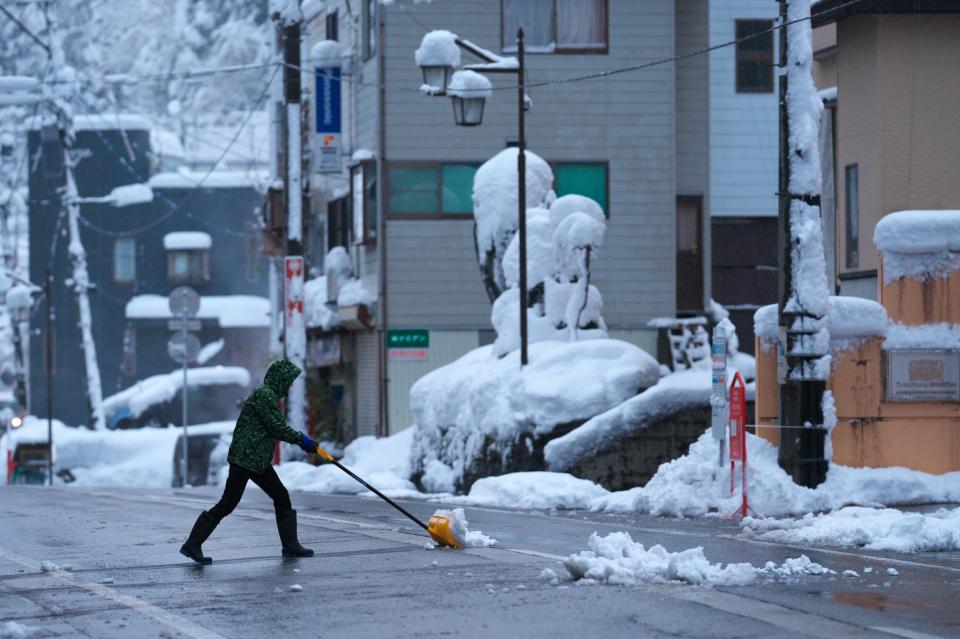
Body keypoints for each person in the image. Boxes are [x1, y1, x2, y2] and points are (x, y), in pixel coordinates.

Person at [180, 359, 319, 564]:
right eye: (289, 381)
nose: (290, 386)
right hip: (248, 457)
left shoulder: (266, 394)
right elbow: (277, 427)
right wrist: (302, 440)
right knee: (232, 502)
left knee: (276, 496)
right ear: (281, 379)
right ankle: (193, 544)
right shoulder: (265, 396)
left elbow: (274, 427)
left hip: (254, 458)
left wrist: (301, 440)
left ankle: (290, 546)